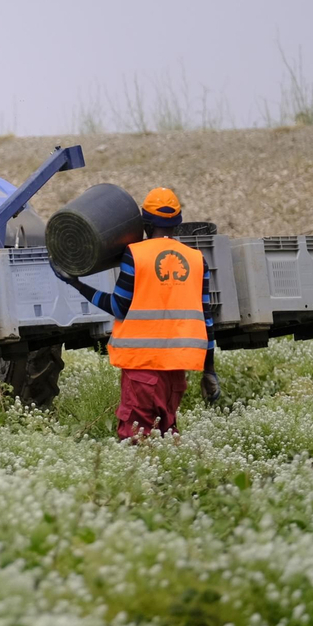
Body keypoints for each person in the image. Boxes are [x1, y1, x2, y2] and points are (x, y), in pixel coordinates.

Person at [61, 188, 221, 440]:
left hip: (142, 367)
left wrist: (77, 284)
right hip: (176, 371)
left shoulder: (135, 255)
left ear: (144, 223)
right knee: (166, 432)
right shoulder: (196, 259)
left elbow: (118, 307)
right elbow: (206, 316)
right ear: (177, 223)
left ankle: (144, 480)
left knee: (137, 436)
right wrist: (209, 370)